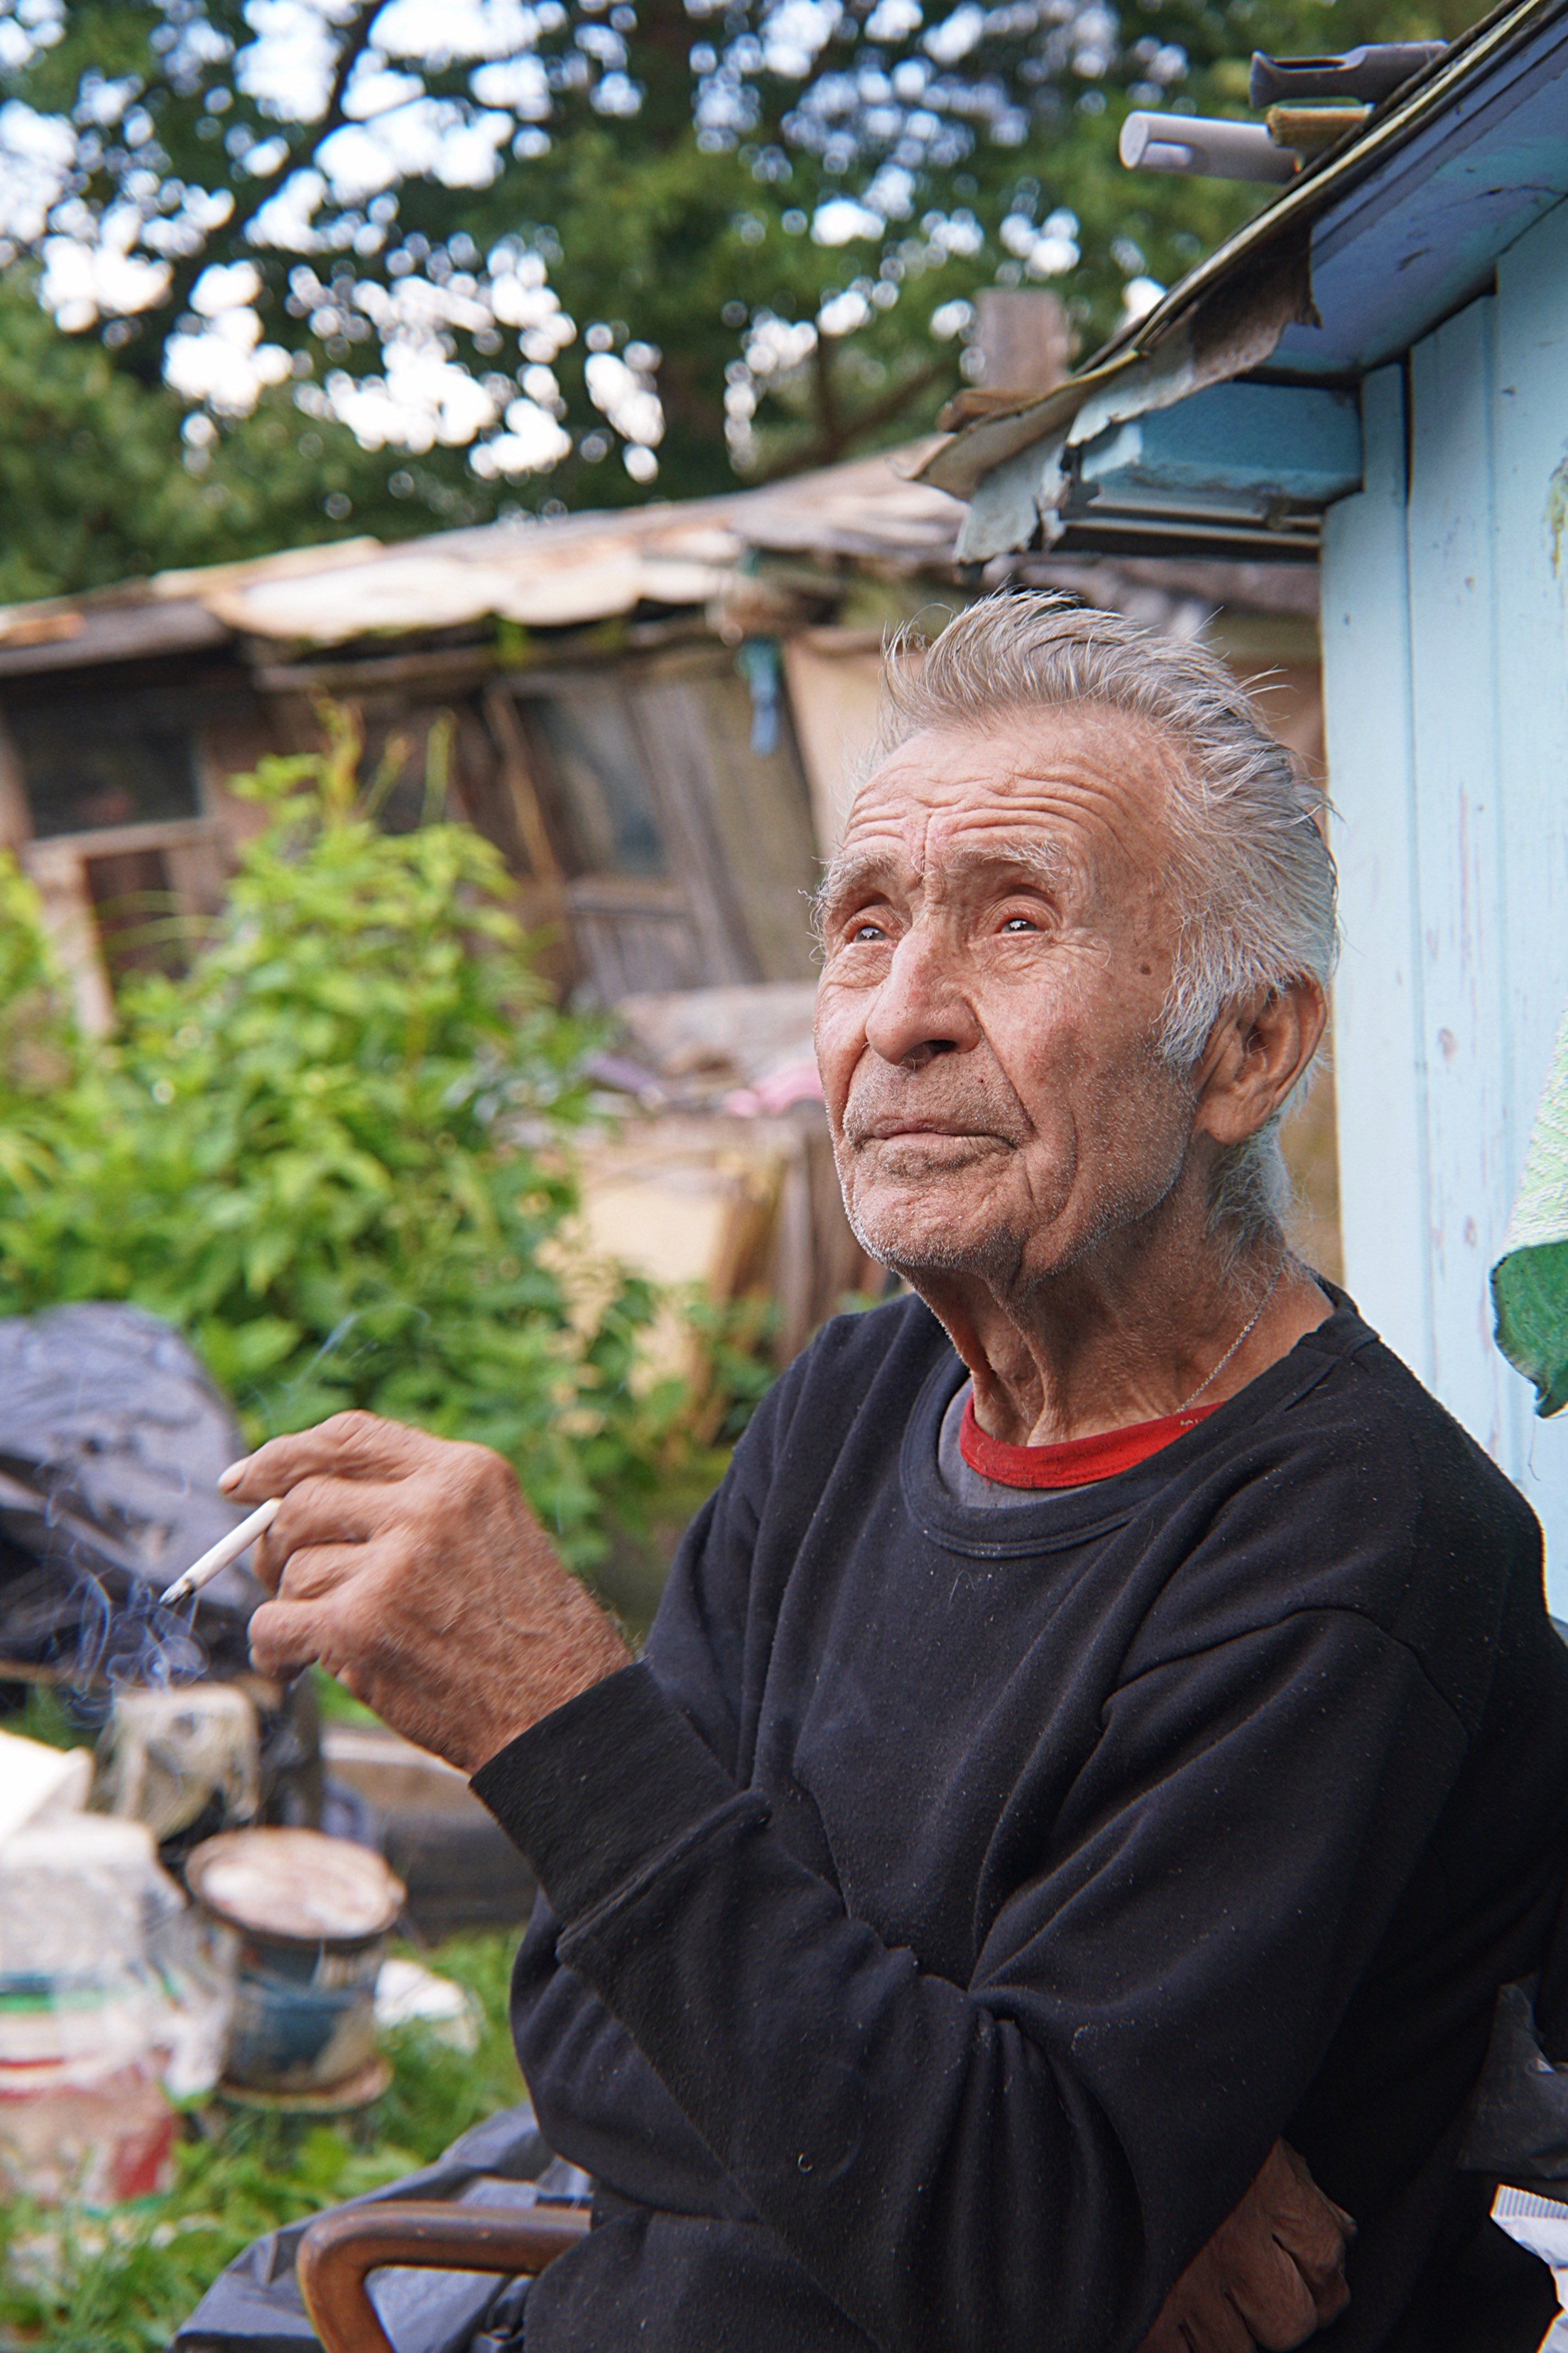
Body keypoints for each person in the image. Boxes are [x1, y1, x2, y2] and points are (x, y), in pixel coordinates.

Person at [226, 595, 1568, 2353]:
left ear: (1248, 1049)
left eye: (1017, 923)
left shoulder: (1361, 1543)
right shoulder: (857, 1397)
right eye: (864, 929)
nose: (905, 1014)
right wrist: (1056, 2196)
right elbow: (578, 2027)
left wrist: (560, 1710)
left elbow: (1000, 2253)